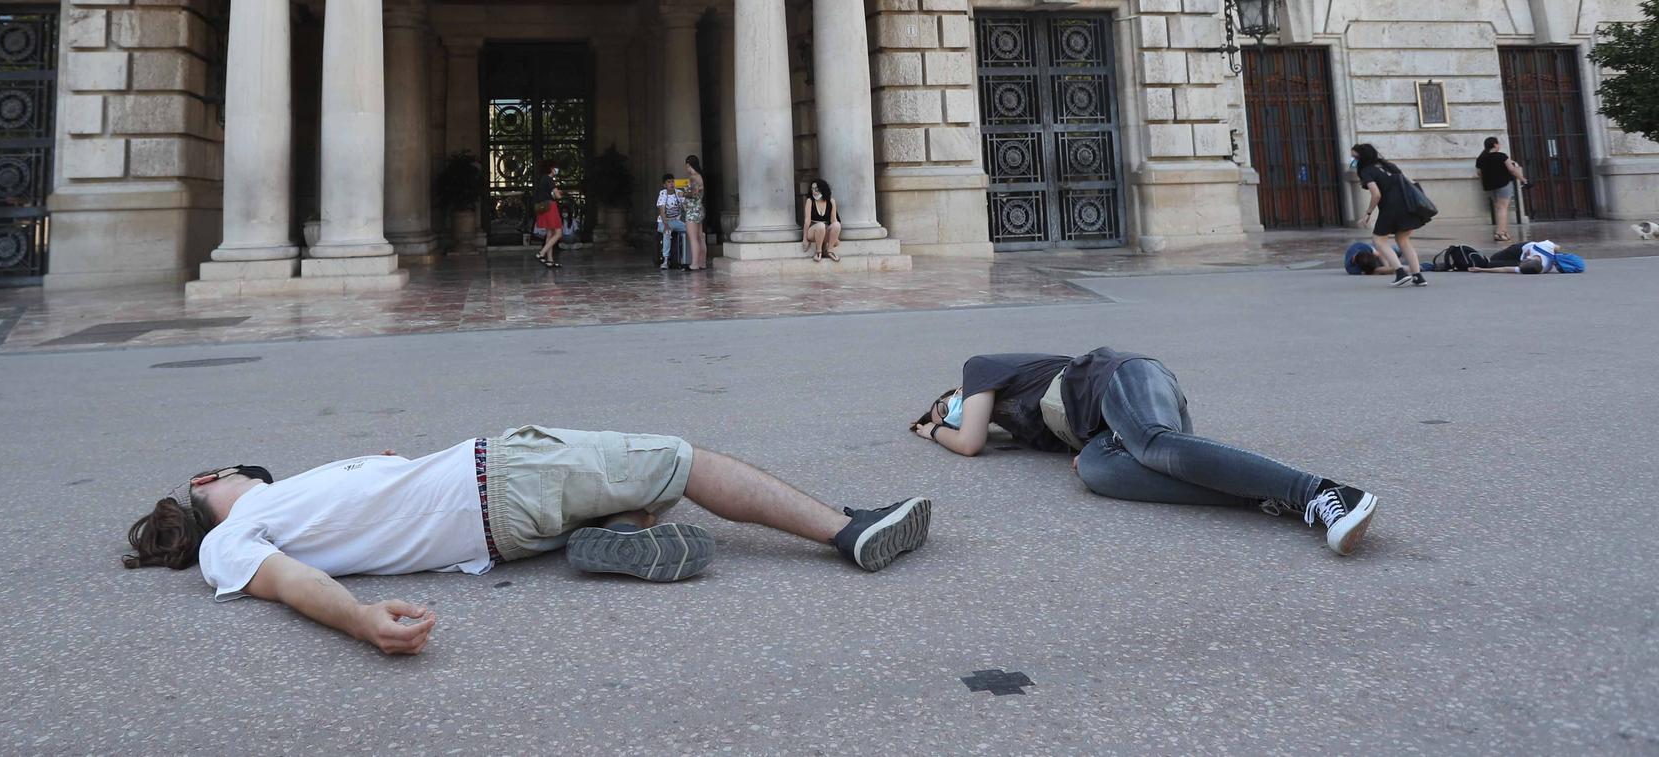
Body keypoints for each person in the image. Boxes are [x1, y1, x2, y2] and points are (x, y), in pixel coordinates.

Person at [122, 427, 933, 655]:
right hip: (500, 475)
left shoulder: (279, 498)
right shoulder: (228, 541)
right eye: (233, 471)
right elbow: (288, 584)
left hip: (498, 534)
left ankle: (602, 534)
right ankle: (848, 529)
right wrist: (362, 621)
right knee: (681, 462)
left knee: (635, 495)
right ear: (205, 483)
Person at [911, 349, 1378, 556]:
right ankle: (1270, 498)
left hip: (1122, 377)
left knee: (1152, 442)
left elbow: (969, 442)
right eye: (943, 414)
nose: (948, 412)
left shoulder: (979, 369)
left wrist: (931, 431)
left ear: (958, 389)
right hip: (1117, 424)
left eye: (944, 403)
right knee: (1096, 470)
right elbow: (992, 434)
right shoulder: (1019, 427)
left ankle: (1328, 493)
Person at [1351, 143, 1426, 288]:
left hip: (1390, 208)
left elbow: (1376, 194)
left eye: (1354, 157)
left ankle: (1400, 273)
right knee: (1403, 240)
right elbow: (1410, 182)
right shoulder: (1389, 166)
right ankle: (1418, 276)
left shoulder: (1367, 171)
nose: (1353, 161)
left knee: (1379, 240)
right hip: (1407, 206)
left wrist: (1368, 213)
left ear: (1362, 158)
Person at [1474, 136, 1527, 242]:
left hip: (1489, 186)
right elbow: (1512, 169)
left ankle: (1504, 231)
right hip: (1503, 184)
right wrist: (1523, 179)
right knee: (1503, 208)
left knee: (1499, 209)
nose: (1499, 146)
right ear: (1495, 145)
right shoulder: (1501, 156)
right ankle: (1499, 233)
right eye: (1498, 144)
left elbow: (1479, 173)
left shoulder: (1481, 158)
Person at [533, 163, 564, 269]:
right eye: (555, 167)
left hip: (544, 207)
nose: (557, 170)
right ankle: (541, 253)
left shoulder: (542, 179)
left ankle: (550, 260)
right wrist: (559, 193)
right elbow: (558, 196)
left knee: (549, 234)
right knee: (558, 233)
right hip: (550, 207)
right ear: (551, 169)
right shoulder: (549, 179)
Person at [802, 179, 841, 262]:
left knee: (837, 224)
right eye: (812, 189)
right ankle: (818, 251)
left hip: (825, 229)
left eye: (816, 189)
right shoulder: (810, 201)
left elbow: (833, 220)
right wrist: (804, 238)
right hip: (813, 230)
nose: (814, 191)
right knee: (820, 226)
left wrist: (835, 237)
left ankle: (830, 250)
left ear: (822, 189)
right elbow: (807, 220)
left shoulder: (831, 201)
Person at [681, 154, 708, 272]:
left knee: (693, 238)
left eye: (687, 166)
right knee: (700, 237)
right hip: (699, 208)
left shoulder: (693, 177)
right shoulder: (701, 176)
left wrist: (683, 194)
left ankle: (694, 264)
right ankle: (702, 263)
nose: (687, 169)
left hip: (692, 210)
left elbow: (693, 193)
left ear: (689, 165)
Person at [655, 179, 687, 270]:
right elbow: (661, 210)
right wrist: (666, 224)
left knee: (690, 230)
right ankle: (665, 260)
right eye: (669, 182)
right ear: (664, 184)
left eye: (672, 181)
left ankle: (687, 257)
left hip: (675, 221)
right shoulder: (663, 194)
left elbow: (685, 207)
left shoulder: (679, 193)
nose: (671, 184)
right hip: (663, 221)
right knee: (667, 232)